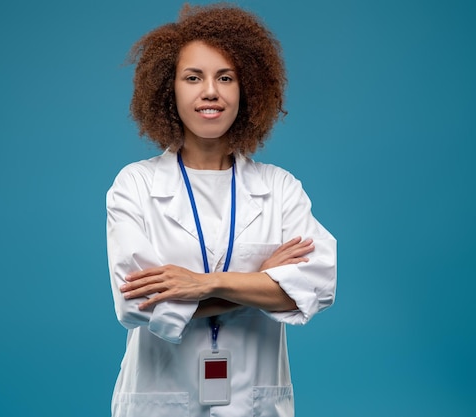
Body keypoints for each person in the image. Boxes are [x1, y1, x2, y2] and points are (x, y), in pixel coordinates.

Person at [106, 3, 336, 416]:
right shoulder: (135, 185)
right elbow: (138, 304)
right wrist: (260, 283)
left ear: (245, 90)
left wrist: (200, 285)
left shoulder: (279, 188)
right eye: (193, 77)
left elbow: (317, 284)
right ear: (168, 88)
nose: (209, 91)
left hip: (254, 402)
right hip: (161, 399)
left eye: (225, 77)